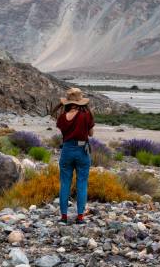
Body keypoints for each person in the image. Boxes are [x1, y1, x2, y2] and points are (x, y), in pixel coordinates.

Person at [53, 87, 95, 224]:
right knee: (82, 183)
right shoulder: (86, 115)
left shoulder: (62, 117)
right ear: (80, 101)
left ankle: (64, 217)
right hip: (82, 150)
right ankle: (80, 217)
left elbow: (63, 132)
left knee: (65, 183)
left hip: (67, 150)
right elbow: (91, 134)